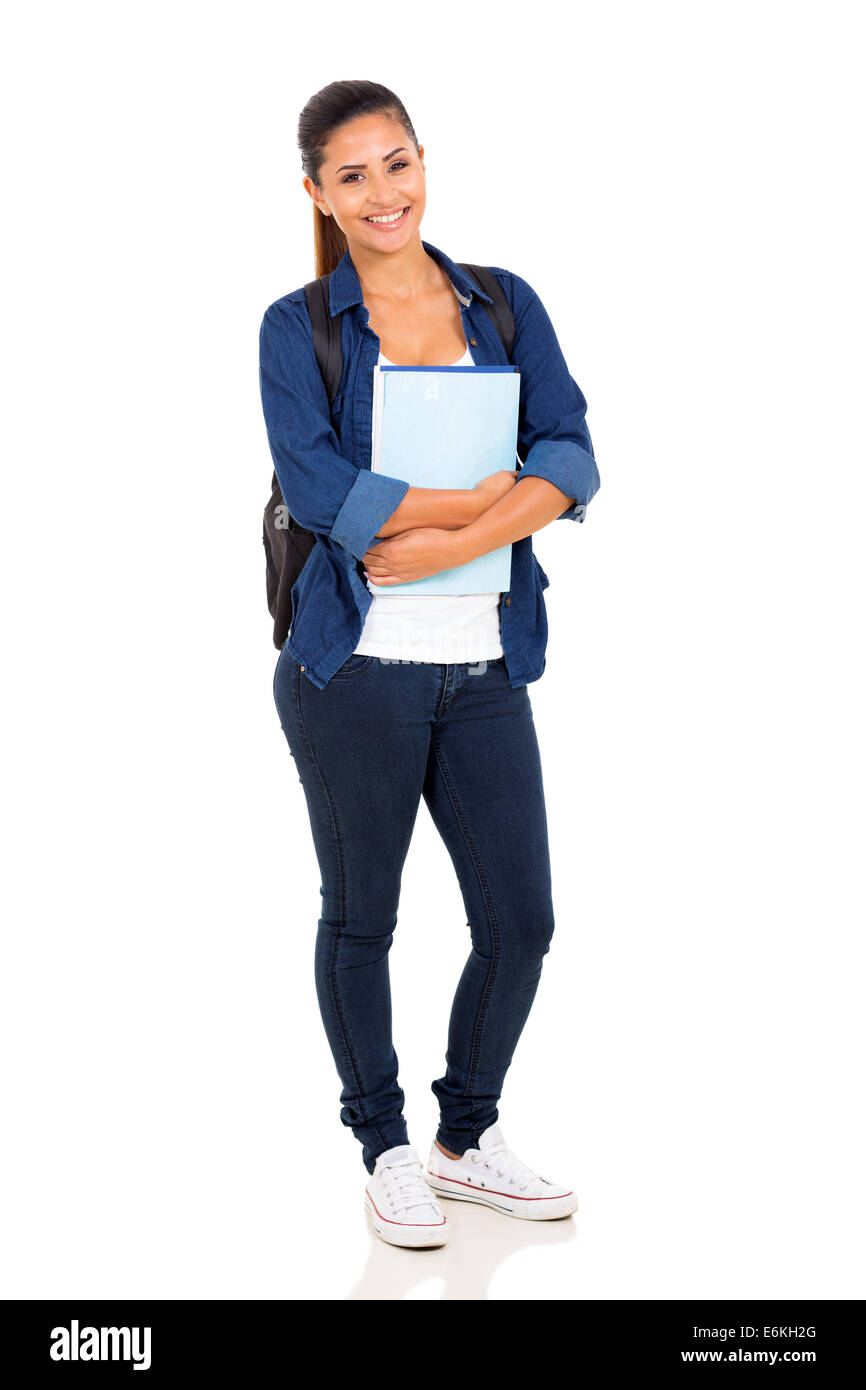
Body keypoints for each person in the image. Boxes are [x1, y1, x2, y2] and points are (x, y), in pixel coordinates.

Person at [259, 80, 600, 1249]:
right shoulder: (296, 325)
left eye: (394, 163)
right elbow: (322, 494)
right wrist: (502, 499)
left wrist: (457, 536)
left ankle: (465, 1138)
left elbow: (569, 446)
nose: (380, 192)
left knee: (522, 920)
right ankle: (384, 1148)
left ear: (422, 163)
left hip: (484, 668)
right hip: (354, 670)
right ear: (318, 193)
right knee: (363, 919)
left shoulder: (503, 303)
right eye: (350, 176)